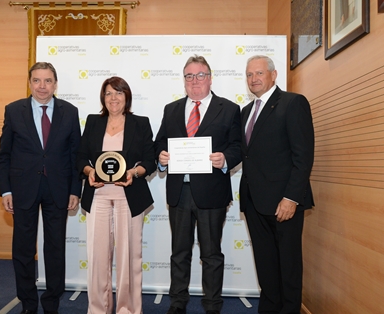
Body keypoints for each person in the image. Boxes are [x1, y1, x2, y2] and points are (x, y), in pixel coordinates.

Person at [154, 55, 242, 314]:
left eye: (200, 75)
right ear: (184, 80)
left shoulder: (229, 109)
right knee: (179, 253)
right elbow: (160, 142)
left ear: (210, 78)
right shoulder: (171, 109)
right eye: (189, 76)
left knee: (211, 254)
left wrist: (225, 158)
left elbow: (238, 147)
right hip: (179, 192)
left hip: (212, 193)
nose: (195, 81)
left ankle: (212, 305)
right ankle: (177, 303)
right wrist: (160, 157)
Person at [0, 62, 82, 314]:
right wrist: (6, 190)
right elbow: (4, 155)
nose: (42, 86)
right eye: (36, 80)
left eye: (47, 81)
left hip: (58, 189)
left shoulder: (70, 111)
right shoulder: (13, 110)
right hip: (23, 190)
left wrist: (75, 190)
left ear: (55, 84)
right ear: (29, 82)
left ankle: (52, 302)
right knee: (22, 249)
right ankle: (28, 304)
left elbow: (75, 155)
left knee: (55, 249)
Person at [240, 55, 314, 314]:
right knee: (266, 264)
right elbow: (245, 153)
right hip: (253, 202)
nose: (254, 79)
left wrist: (291, 198)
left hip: (284, 202)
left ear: (273, 75)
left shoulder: (293, 103)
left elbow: (303, 157)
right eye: (250, 75)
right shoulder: (246, 111)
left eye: (259, 73)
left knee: (288, 265)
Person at [77, 76, 156, 314]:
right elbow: (80, 157)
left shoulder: (140, 123)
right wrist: (89, 171)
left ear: (127, 97)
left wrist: (133, 172)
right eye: (109, 93)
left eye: (119, 93)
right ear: (103, 97)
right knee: (98, 257)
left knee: (128, 257)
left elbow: (150, 161)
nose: (114, 98)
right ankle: (97, 309)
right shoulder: (92, 122)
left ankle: (128, 309)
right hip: (98, 196)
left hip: (129, 197)